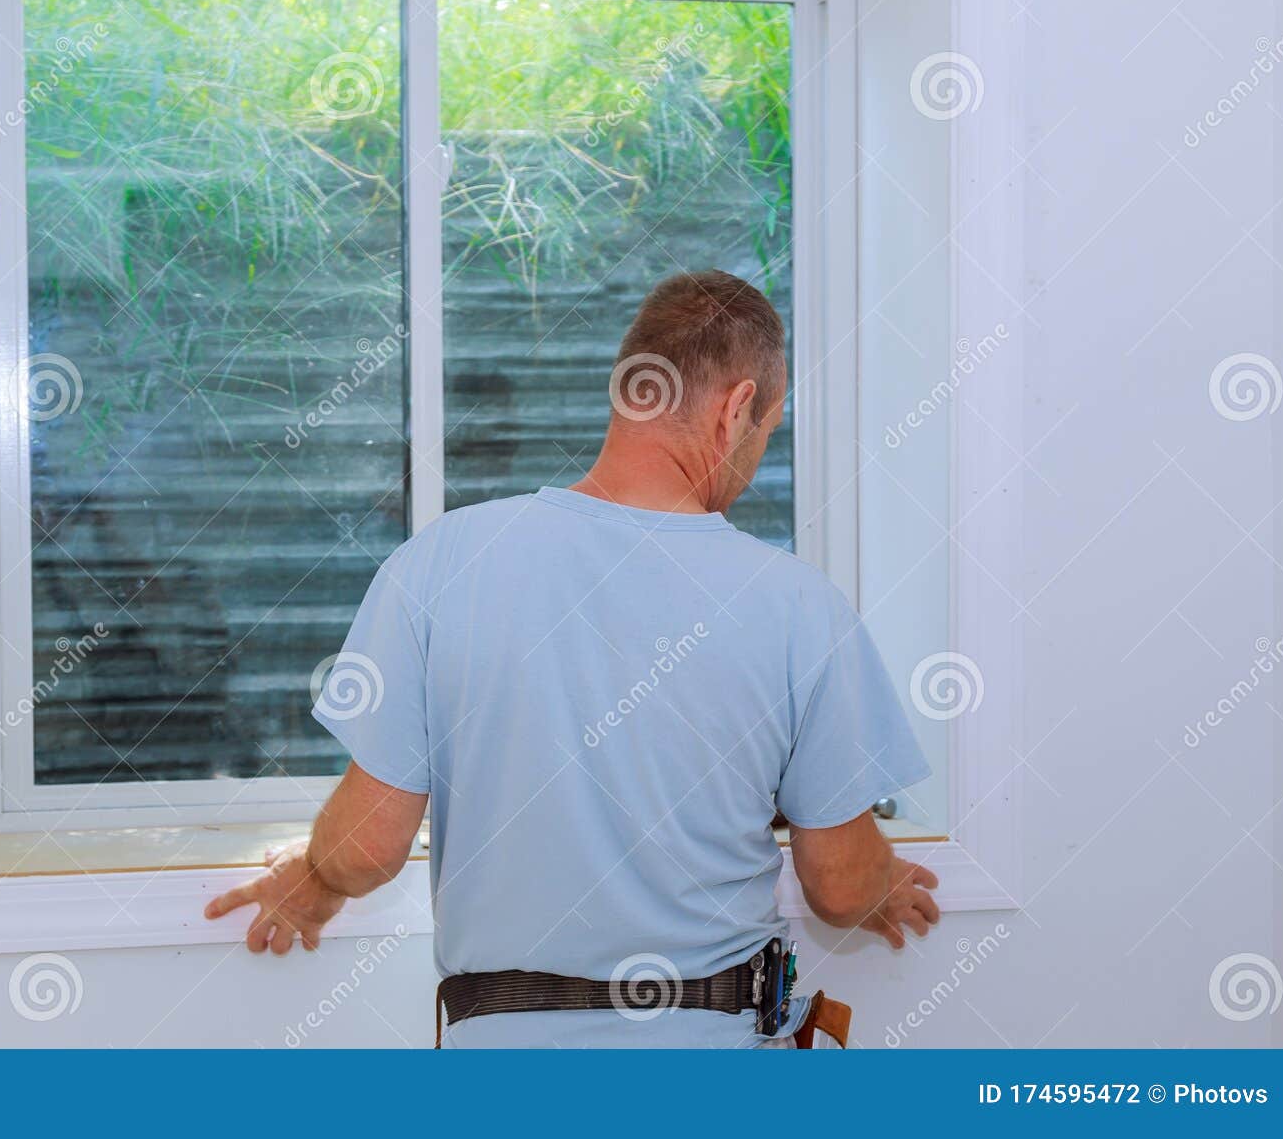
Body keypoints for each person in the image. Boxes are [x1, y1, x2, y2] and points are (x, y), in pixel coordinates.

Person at [205, 269, 939, 1047]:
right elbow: (839, 882)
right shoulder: (798, 604)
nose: (757, 454)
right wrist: (883, 882)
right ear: (734, 411)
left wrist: (315, 878)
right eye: (767, 427)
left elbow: (368, 847)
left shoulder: (442, 562)